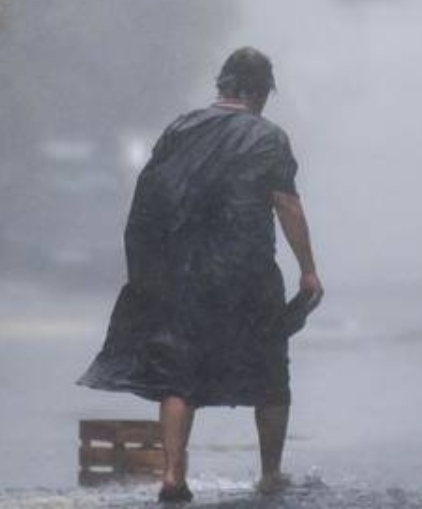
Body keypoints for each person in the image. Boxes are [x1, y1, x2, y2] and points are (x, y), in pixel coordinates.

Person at [78, 46, 323, 503]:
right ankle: (270, 475)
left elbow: (148, 199)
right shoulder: (269, 137)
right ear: (257, 91)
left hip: (185, 275)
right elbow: (287, 204)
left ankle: (172, 474)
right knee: (270, 371)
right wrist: (308, 270)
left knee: (179, 374)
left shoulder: (179, 129)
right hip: (248, 274)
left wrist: (146, 271)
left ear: (224, 86)